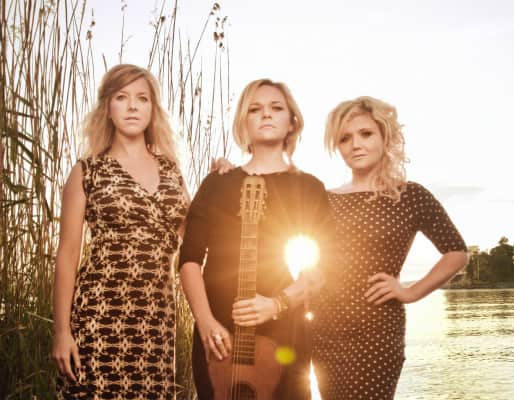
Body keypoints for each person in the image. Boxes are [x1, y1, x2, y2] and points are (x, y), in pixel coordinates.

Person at [179, 78, 333, 400]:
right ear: (243, 123)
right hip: (218, 334)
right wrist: (205, 322)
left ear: (292, 122)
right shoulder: (216, 183)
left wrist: (277, 303)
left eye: (276, 107)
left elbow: (322, 269)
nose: (266, 114)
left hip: (284, 331)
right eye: (255, 109)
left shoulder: (309, 188)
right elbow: (190, 260)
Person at [312, 96, 468, 400]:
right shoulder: (324, 198)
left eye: (365, 134)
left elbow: (457, 253)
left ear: (385, 137)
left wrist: (410, 291)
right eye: (345, 138)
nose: (355, 145)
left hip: (377, 333)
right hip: (322, 331)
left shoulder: (410, 196)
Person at [52, 64, 189, 399]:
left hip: (156, 319)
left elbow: (196, 239)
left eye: (142, 99)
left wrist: (222, 179)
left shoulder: (172, 172)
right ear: (107, 108)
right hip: (100, 315)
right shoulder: (87, 171)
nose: (132, 106)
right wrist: (61, 332)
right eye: (122, 97)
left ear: (153, 109)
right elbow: (67, 255)